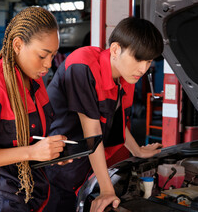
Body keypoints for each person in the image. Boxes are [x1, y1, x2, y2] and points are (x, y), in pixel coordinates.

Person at [44, 16, 164, 212]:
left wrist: (138, 151)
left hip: (88, 167)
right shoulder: (82, 66)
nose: (143, 68)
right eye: (138, 58)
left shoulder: (126, 76)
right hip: (59, 167)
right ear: (116, 50)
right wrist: (107, 189)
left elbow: (117, 122)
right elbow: (92, 131)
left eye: (149, 61)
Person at [0, 7, 70, 212]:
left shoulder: (35, 80)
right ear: (17, 44)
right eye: (42, 55)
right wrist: (31, 152)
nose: (48, 65)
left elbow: (32, 137)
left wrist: (52, 152)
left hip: (26, 196)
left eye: (53, 56)